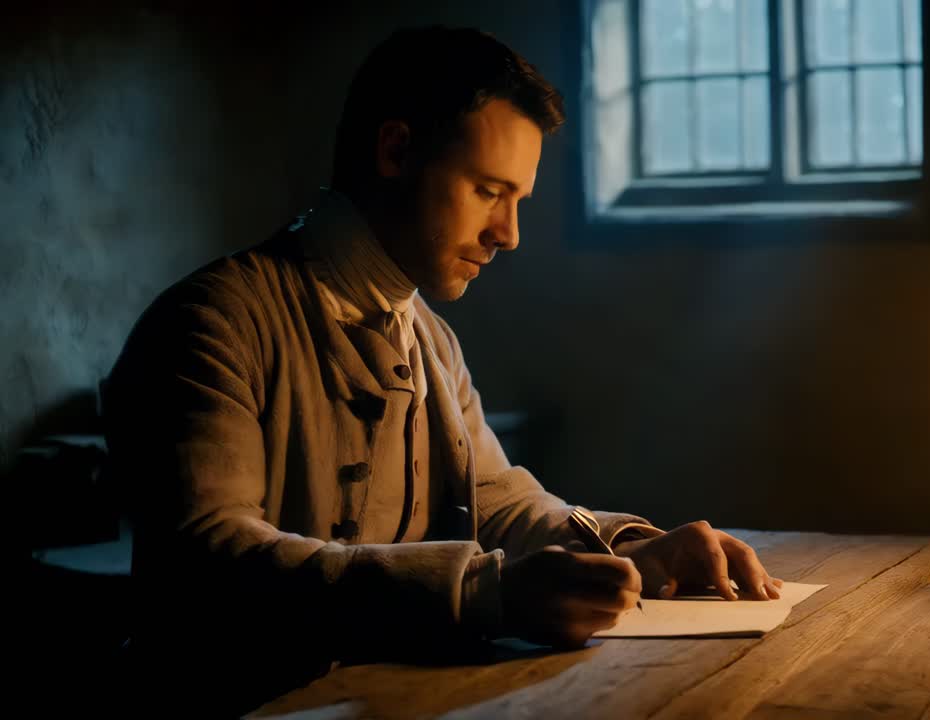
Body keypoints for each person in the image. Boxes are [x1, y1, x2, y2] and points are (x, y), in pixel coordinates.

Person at [104, 25, 780, 714]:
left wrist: (639, 548)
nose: (508, 234)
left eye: (517, 200)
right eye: (490, 190)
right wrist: (481, 594)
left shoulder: (430, 339)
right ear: (396, 151)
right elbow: (211, 560)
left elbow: (501, 502)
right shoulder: (212, 323)